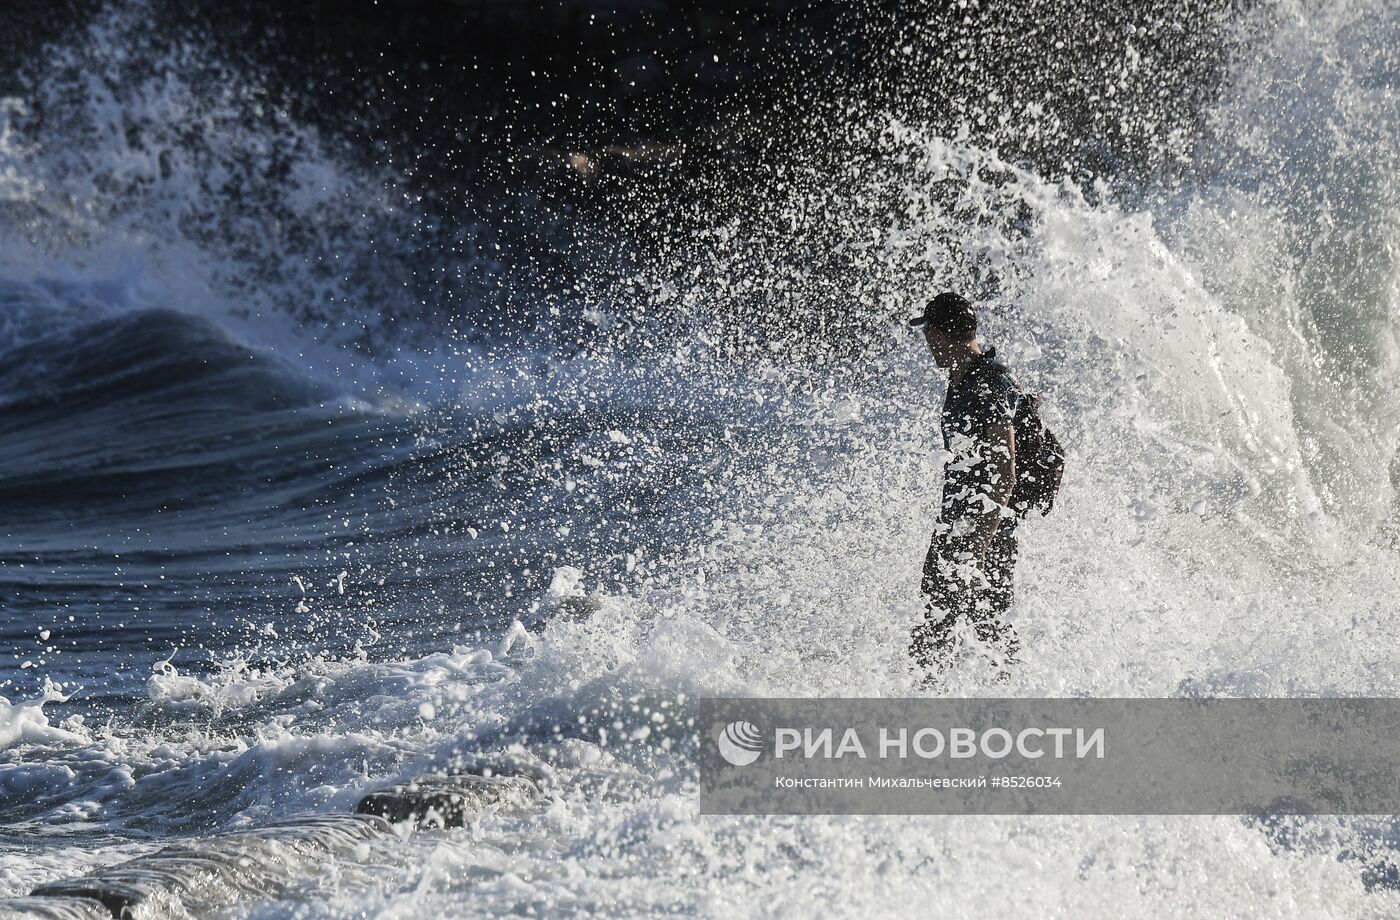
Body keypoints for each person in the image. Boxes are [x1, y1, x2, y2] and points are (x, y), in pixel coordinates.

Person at [908, 292, 1021, 683]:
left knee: (980, 628)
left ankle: (1013, 706)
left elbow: (1004, 469)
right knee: (943, 627)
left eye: (928, 336)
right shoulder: (965, 377)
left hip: (980, 532)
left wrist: (981, 540)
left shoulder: (988, 380)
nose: (927, 345)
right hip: (957, 528)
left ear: (939, 334)